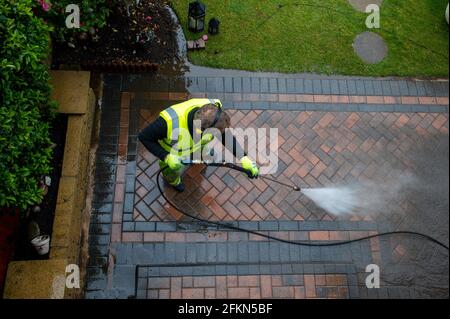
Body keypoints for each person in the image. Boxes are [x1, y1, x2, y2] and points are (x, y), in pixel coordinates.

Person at [138, 98, 259, 192]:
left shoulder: (214, 107)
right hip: (174, 155)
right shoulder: (167, 123)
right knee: (172, 171)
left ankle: (202, 154)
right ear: (200, 131)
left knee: (204, 150)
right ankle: (173, 181)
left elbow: (224, 135)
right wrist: (165, 157)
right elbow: (144, 137)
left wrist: (243, 157)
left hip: (199, 145)